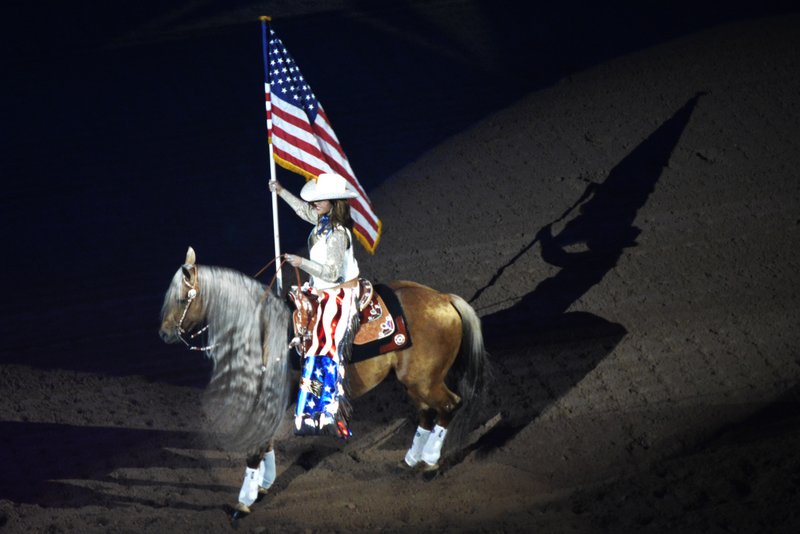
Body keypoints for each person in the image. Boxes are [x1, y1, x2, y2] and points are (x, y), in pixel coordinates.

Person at [269, 172, 361, 438]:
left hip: (336, 292)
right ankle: (311, 406)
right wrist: (281, 191)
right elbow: (301, 209)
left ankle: (329, 410)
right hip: (318, 289)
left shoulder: (338, 234)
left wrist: (301, 263)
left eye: (321, 200)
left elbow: (332, 273)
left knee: (326, 346)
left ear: (334, 202)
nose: (315, 203)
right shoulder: (322, 222)